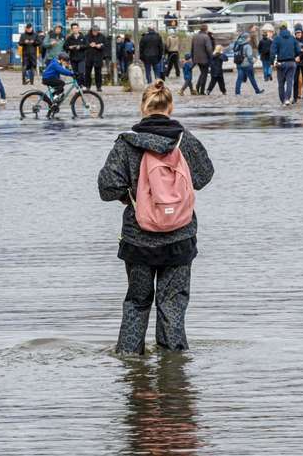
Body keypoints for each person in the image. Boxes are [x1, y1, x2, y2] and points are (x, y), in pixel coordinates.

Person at [97, 80, 215, 353]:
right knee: (172, 304)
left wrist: (129, 196)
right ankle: (173, 371)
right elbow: (204, 176)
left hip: (139, 238)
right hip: (180, 236)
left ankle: (129, 364)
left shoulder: (127, 144)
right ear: (170, 107)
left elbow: (106, 188)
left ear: (142, 108)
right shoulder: (185, 141)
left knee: (137, 302)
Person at [271, 23, 299, 105]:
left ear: (280, 29)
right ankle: (287, 98)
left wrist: (272, 61)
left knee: (281, 83)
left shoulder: (277, 38)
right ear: (287, 28)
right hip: (291, 63)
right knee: (290, 82)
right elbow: (298, 50)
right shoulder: (293, 38)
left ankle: (283, 100)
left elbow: (273, 51)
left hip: (281, 63)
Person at [232, 28, 263, 95]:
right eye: (248, 37)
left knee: (239, 79)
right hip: (247, 65)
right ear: (246, 38)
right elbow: (249, 56)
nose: (249, 38)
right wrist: (253, 61)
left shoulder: (237, 44)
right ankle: (257, 90)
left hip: (239, 64)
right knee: (252, 78)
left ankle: (237, 92)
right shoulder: (247, 46)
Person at [190, 24, 214, 95]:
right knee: (204, 74)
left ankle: (197, 87)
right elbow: (209, 49)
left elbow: (192, 48)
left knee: (202, 73)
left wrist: (193, 58)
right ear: (206, 29)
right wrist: (211, 57)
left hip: (196, 58)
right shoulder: (206, 37)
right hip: (204, 59)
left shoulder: (195, 36)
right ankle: (202, 91)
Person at [84, 25, 107, 91]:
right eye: (94, 31)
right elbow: (84, 44)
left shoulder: (102, 36)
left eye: (96, 31)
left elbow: (105, 44)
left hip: (98, 56)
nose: (95, 32)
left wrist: (99, 46)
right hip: (89, 56)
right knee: (88, 72)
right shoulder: (87, 36)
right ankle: (87, 86)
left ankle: (98, 87)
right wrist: (89, 45)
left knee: (98, 73)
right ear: (91, 31)